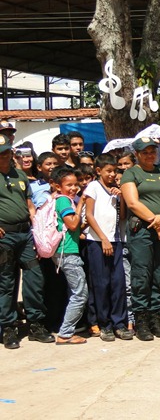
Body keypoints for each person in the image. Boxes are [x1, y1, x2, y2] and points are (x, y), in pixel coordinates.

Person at [0, 135, 54, 349]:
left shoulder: (20, 176)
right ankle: (8, 328)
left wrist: (36, 223)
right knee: (6, 283)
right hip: (5, 237)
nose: (4, 155)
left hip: (25, 234)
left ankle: (36, 324)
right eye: (1, 152)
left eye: (7, 151)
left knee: (35, 278)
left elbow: (29, 203)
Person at [121, 137, 160, 340]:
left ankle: (156, 319)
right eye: (145, 152)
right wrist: (157, 221)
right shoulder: (131, 174)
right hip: (142, 230)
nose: (149, 155)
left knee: (159, 273)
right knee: (142, 274)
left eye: (152, 151)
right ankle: (141, 321)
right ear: (136, 154)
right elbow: (133, 203)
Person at [84, 154, 133, 341]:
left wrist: (120, 199)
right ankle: (104, 324)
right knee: (101, 284)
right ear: (99, 171)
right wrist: (103, 238)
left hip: (116, 240)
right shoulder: (93, 188)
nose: (113, 174)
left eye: (115, 171)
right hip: (97, 241)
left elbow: (121, 218)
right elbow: (89, 215)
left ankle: (119, 323)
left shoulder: (114, 191)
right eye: (109, 171)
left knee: (118, 283)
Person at [50, 166, 88, 345]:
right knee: (80, 294)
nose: (74, 188)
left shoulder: (61, 200)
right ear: (58, 187)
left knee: (74, 292)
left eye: (76, 185)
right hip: (68, 253)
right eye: (69, 185)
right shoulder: (64, 201)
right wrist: (80, 205)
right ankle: (65, 333)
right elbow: (72, 224)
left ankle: (67, 330)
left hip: (65, 251)